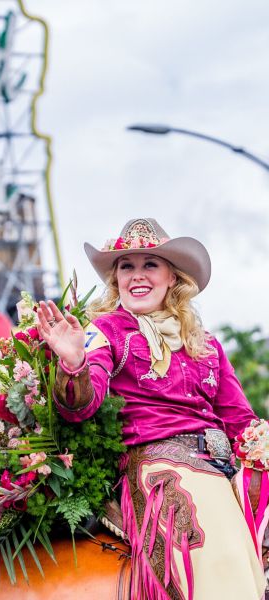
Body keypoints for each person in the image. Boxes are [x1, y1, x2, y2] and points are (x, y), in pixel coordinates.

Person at [36, 218, 267, 600]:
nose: (137, 275)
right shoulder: (105, 330)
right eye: (127, 266)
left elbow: (240, 420)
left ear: (172, 277)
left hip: (221, 465)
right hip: (159, 462)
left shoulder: (205, 343)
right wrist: (74, 363)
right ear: (116, 279)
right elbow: (81, 407)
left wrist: (261, 443)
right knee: (218, 551)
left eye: (150, 265)